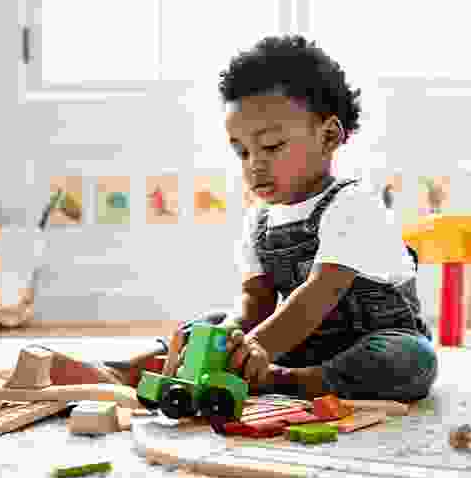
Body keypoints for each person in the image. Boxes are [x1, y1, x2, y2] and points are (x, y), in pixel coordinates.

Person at [161, 35, 437, 402]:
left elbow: (320, 293)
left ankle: (289, 381)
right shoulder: (259, 221)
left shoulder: (354, 204)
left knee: (410, 359)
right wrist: (232, 336)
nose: (255, 164)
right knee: (211, 326)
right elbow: (256, 301)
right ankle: (154, 364)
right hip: (301, 342)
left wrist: (257, 347)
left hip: (372, 340)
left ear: (329, 137)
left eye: (271, 146)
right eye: (242, 152)